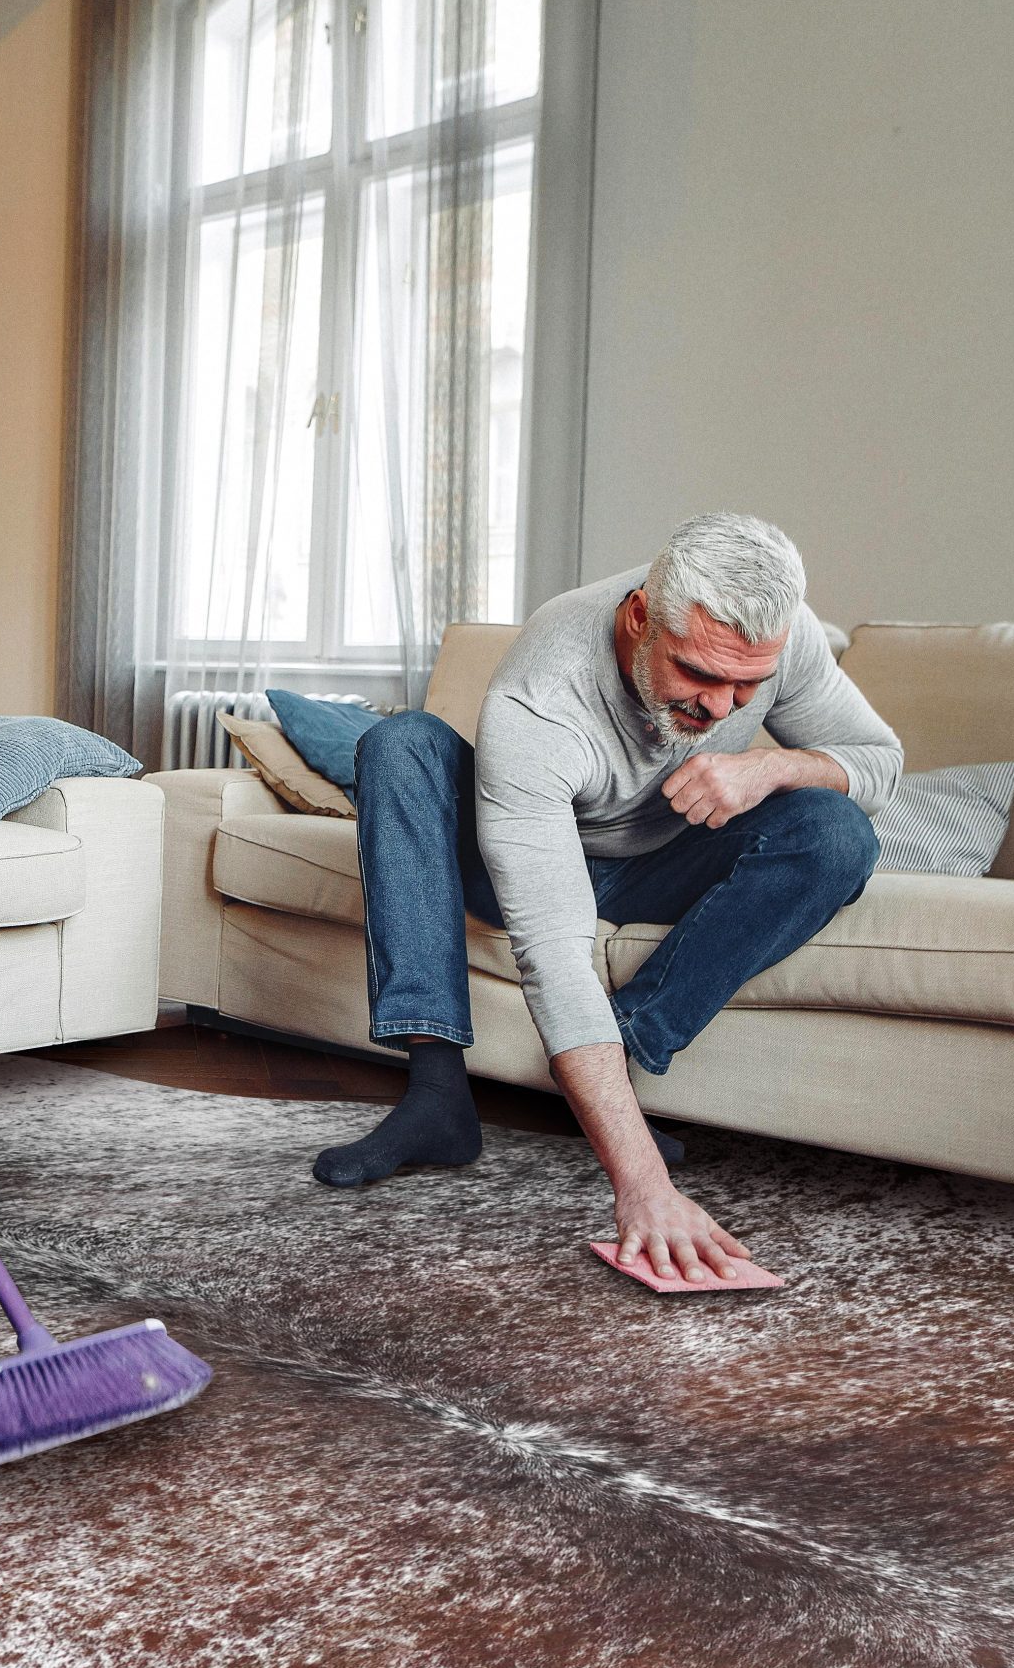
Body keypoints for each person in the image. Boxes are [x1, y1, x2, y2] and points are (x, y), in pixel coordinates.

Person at [313, 514, 901, 1281]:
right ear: (639, 617)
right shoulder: (541, 694)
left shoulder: (780, 643)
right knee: (400, 745)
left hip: (666, 857)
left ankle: (618, 1053)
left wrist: (771, 767)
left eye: (747, 686)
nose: (722, 707)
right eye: (697, 674)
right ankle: (437, 1093)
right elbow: (555, 955)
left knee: (837, 832)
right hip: (521, 852)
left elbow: (880, 760)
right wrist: (644, 1188)